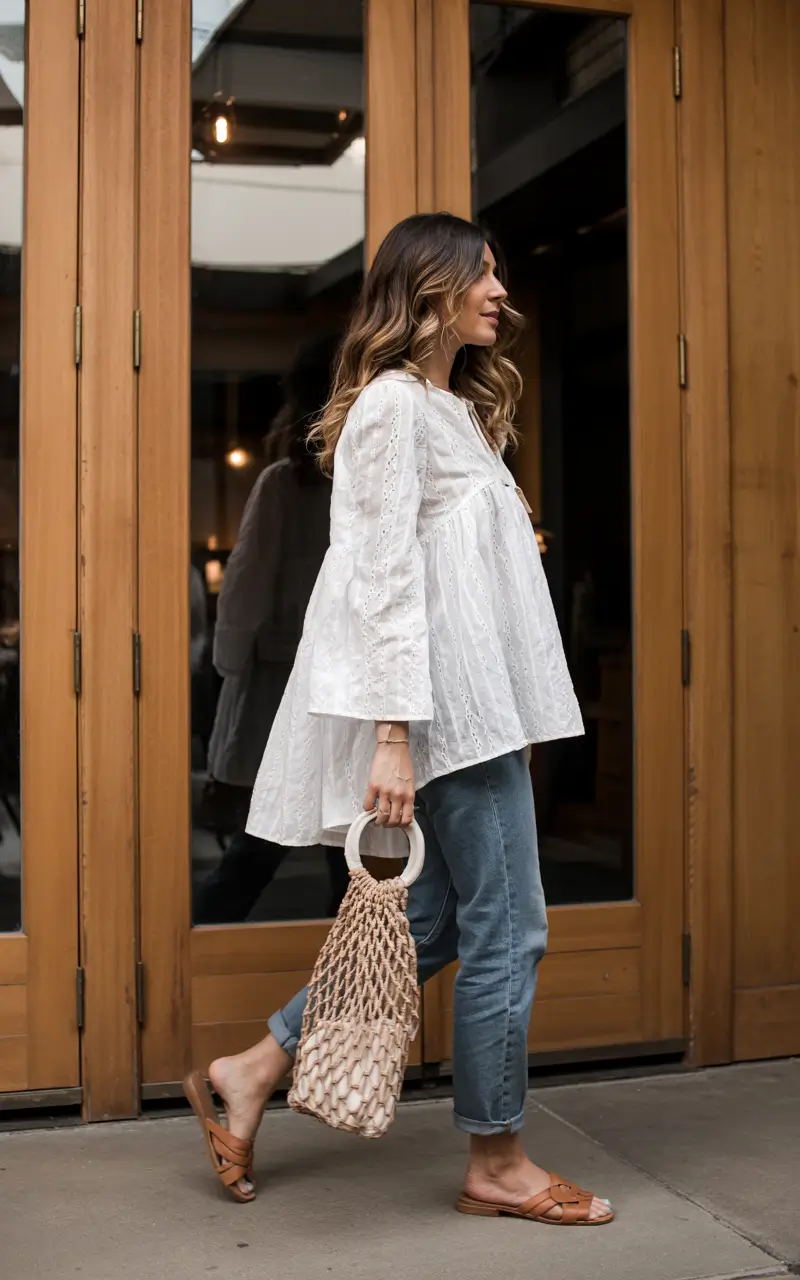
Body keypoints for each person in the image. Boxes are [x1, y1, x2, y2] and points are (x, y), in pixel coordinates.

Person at [184, 213, 614, 1227]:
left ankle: (251, 1067)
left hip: (468, 705)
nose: (500, 291)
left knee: (431, 923)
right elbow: (375, 579)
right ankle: (496, 1157)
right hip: (439, 713)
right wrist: (391, 733)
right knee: (510, 928)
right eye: (484, 273)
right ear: (429, 288)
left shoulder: (447, 407)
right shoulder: (388, 406)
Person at [194, 335, 349, 923]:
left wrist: (228, 674)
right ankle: (349, 986)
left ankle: (202, 956)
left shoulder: (286, 484)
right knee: (345, 854)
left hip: (284, 686)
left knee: (259, 852)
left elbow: (244, 592)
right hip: (339, 688)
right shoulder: (338, 482)